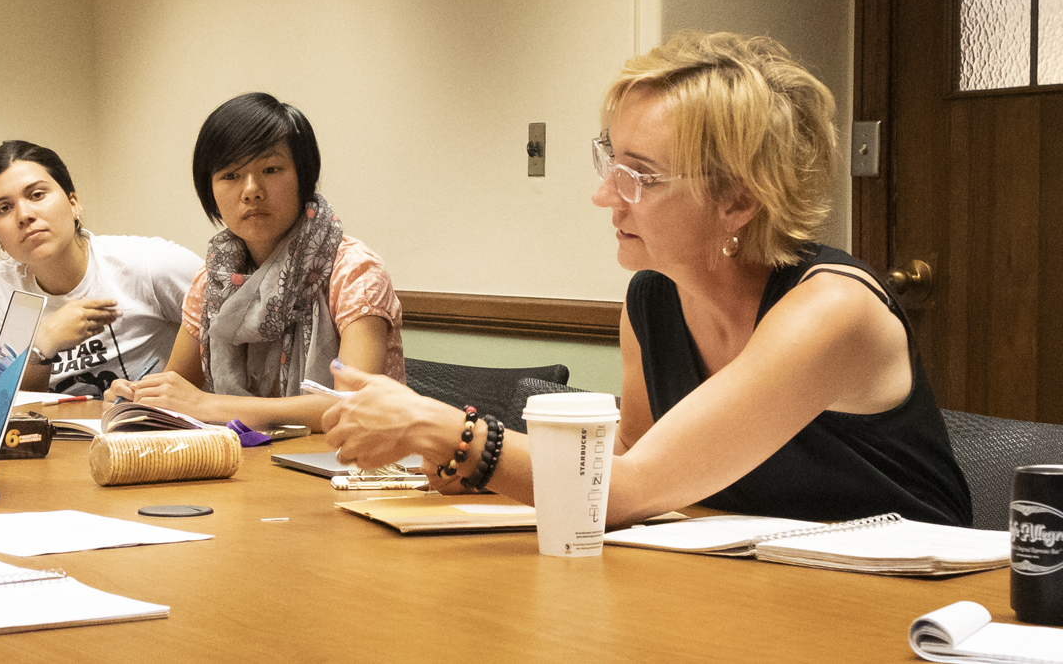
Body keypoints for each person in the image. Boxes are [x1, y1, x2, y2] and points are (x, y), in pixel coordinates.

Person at [322, 32, 973, 527]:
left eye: (641, 175)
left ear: (737, 202)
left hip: (906, 619)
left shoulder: (832, 311)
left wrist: (443, 430)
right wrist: (483, 470)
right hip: (754, 599)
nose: (607, 196)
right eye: (610, 159)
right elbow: (625, 472)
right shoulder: (652, 298)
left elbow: (624, 490)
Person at [108, 92, 405, 429]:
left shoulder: (354, 271)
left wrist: (209, 404)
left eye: (270, 169)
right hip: (247, 466)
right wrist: (137, 395)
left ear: (303, 177)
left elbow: (355, 408)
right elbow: (176, 391)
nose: (251, 190)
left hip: (352, 469)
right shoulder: (213, 281)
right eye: (230, 175)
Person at [0, 140, 203, 396]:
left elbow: (229, 328)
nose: (24, 215)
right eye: (4, 208)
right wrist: (43, 344)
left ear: (73, 203)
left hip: (155, 429)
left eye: (37, 195)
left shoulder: (150, 264)